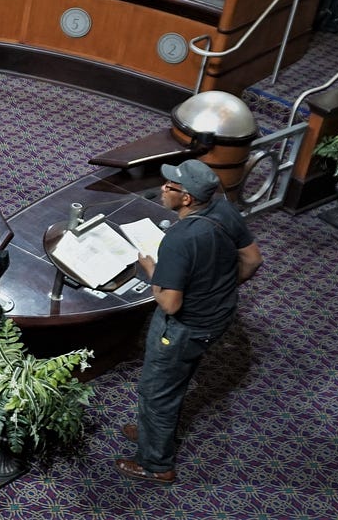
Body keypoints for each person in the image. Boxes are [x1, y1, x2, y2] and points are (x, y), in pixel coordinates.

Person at [116, 159, 263, 484]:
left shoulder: (179, 239)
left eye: (169, 186)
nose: (162, 188)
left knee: (157, 393)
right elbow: (253, 259)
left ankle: (156, 464)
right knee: (175, 382)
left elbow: (170, 303)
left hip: (183, 329)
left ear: (186, 198)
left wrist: (153, 271)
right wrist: (220, 289)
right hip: (217, 317)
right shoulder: (224, 209)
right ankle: (150, 433)